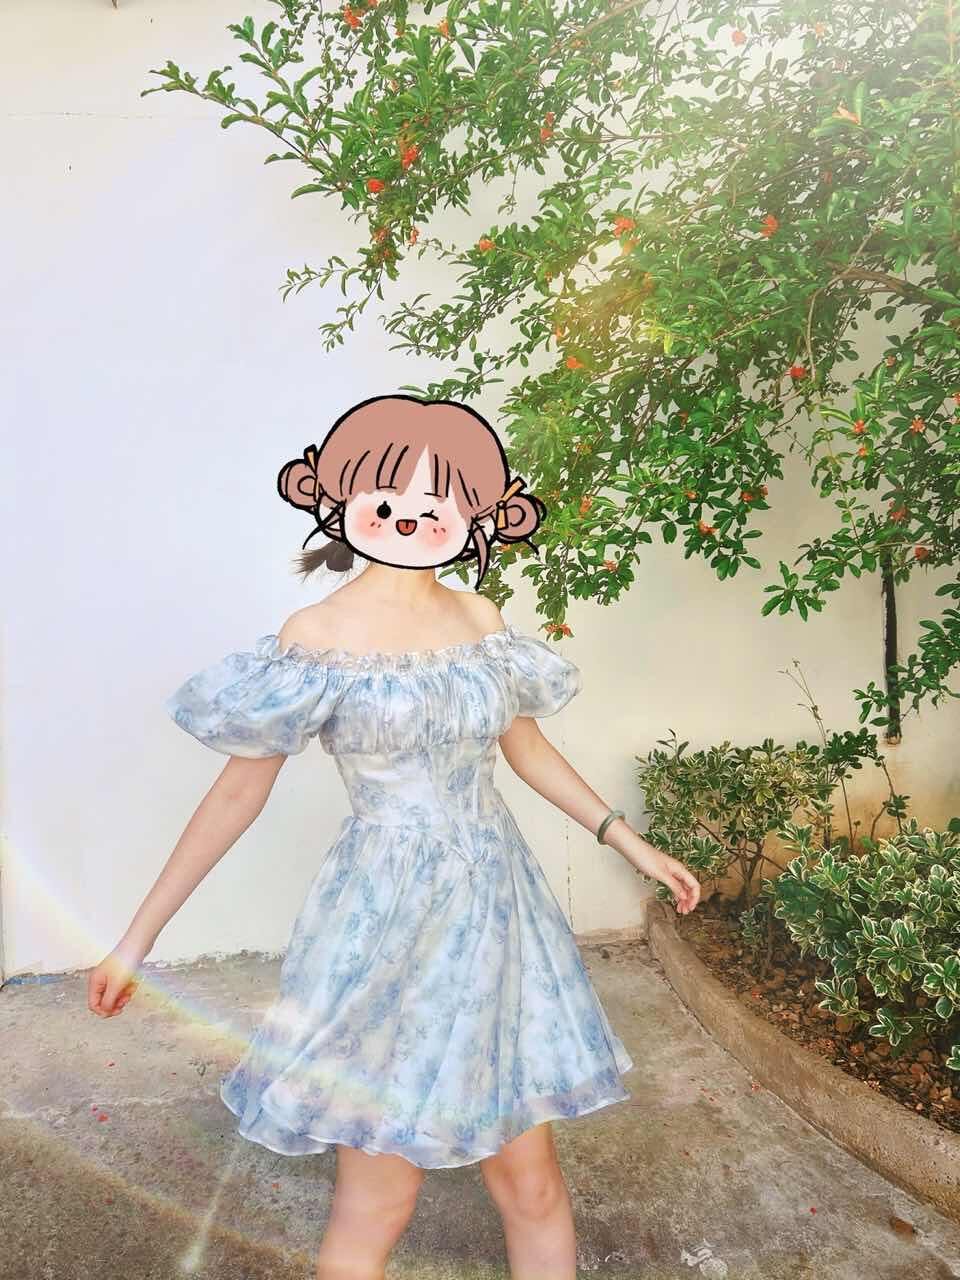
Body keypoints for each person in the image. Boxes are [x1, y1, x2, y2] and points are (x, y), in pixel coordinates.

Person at [87, 395, 700, 1280]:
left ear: (477, 511)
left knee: (532, 1188)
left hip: (497, 912)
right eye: (386, 497)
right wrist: (136, 940)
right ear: (338, 499)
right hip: (382, 921)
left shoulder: (480, 617)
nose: (412, 515)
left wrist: (628, 842)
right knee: (379, 1200)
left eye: (437, 498)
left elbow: (526, 749)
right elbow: (236, 794)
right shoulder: (316, 637)